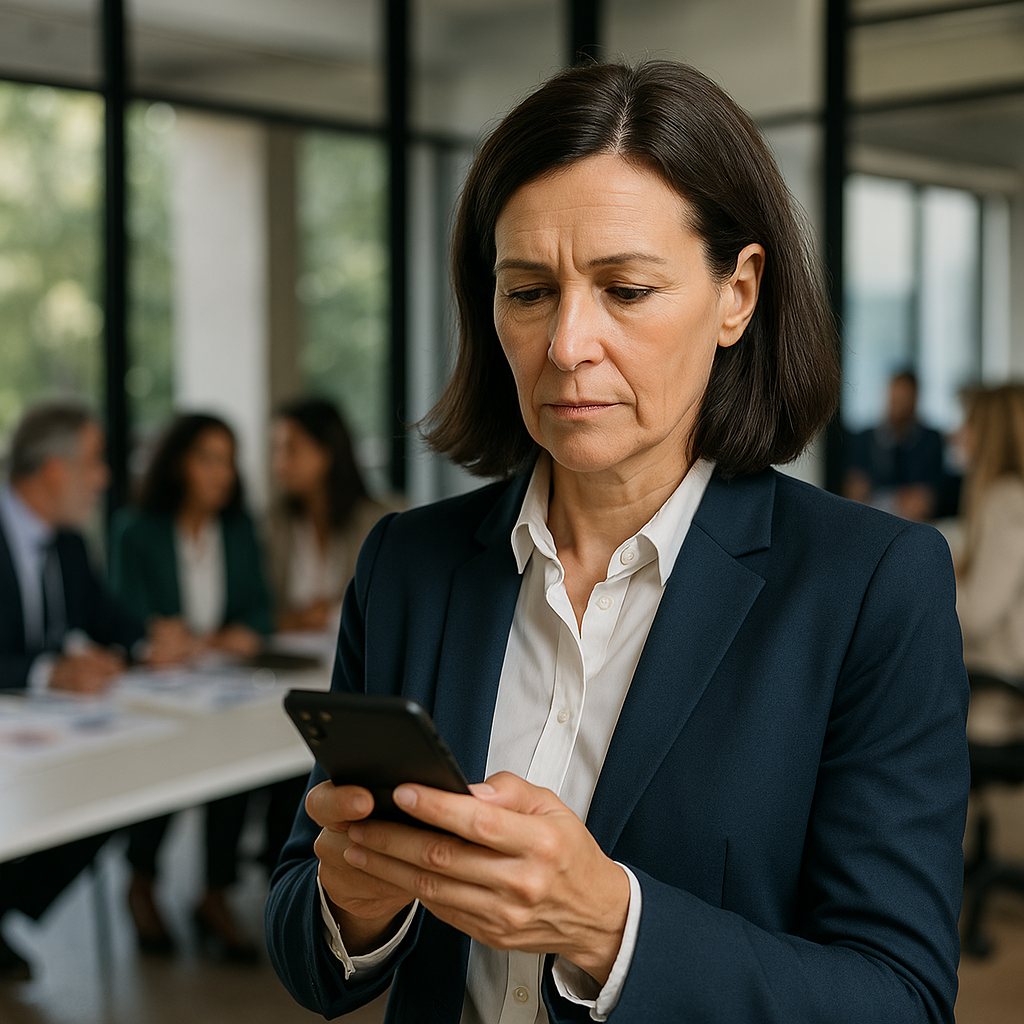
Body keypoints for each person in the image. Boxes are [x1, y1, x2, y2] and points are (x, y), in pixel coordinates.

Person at [265, 61, 969, 1024]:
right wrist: (355, 903)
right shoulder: (407, 566)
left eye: (626, 290)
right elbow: (307, 942)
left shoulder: (869, 587)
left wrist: (610, 927)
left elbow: (899, 1001)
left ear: (738, 294)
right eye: (528, 293)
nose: (566, 344)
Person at [0, 400, 187, 980]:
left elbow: (108, 618)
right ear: (53, 470)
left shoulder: (71, 543)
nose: (104, 477)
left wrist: (149, 642)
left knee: (117, 792)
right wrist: (44, 672)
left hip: (45, 728)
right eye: (94, 461)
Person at [110, 412, 275, 961]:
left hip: (219, 682)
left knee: (233, 767)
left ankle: (214, 894)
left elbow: (258, 606)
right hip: (157, 688)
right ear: (180, 462)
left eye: (228, 460)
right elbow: (123, 613)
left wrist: (242, 633)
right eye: (209, 458)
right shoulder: (137, 530)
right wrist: (159, 634)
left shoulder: (238, 528)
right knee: (159, 768)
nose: (222, 473)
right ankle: (141, 883)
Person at [269, 398, 391, 634]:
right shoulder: (274, 523)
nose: (279, 464)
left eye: (290, 449)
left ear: (326, 452)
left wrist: (331, 613)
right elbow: (263, 610)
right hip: (288, 660)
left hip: (355, 658)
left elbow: (386, 605)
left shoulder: (377, 523)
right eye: (276, 450)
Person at [955, 384, 1024, 680]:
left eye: (969, 424)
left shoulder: (1006, 500)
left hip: (998, 689)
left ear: (989, 434)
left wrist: (931, 580)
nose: (960, 434)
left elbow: (978, 613)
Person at [843, 370, 947, 521]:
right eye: (895, 399)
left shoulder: (930, 440)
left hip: (913, 521)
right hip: (874, 520)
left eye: (904, 399)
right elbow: (855, 492)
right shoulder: (865, 439)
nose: (898, 406)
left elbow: (926, 498)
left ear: (915, 400)